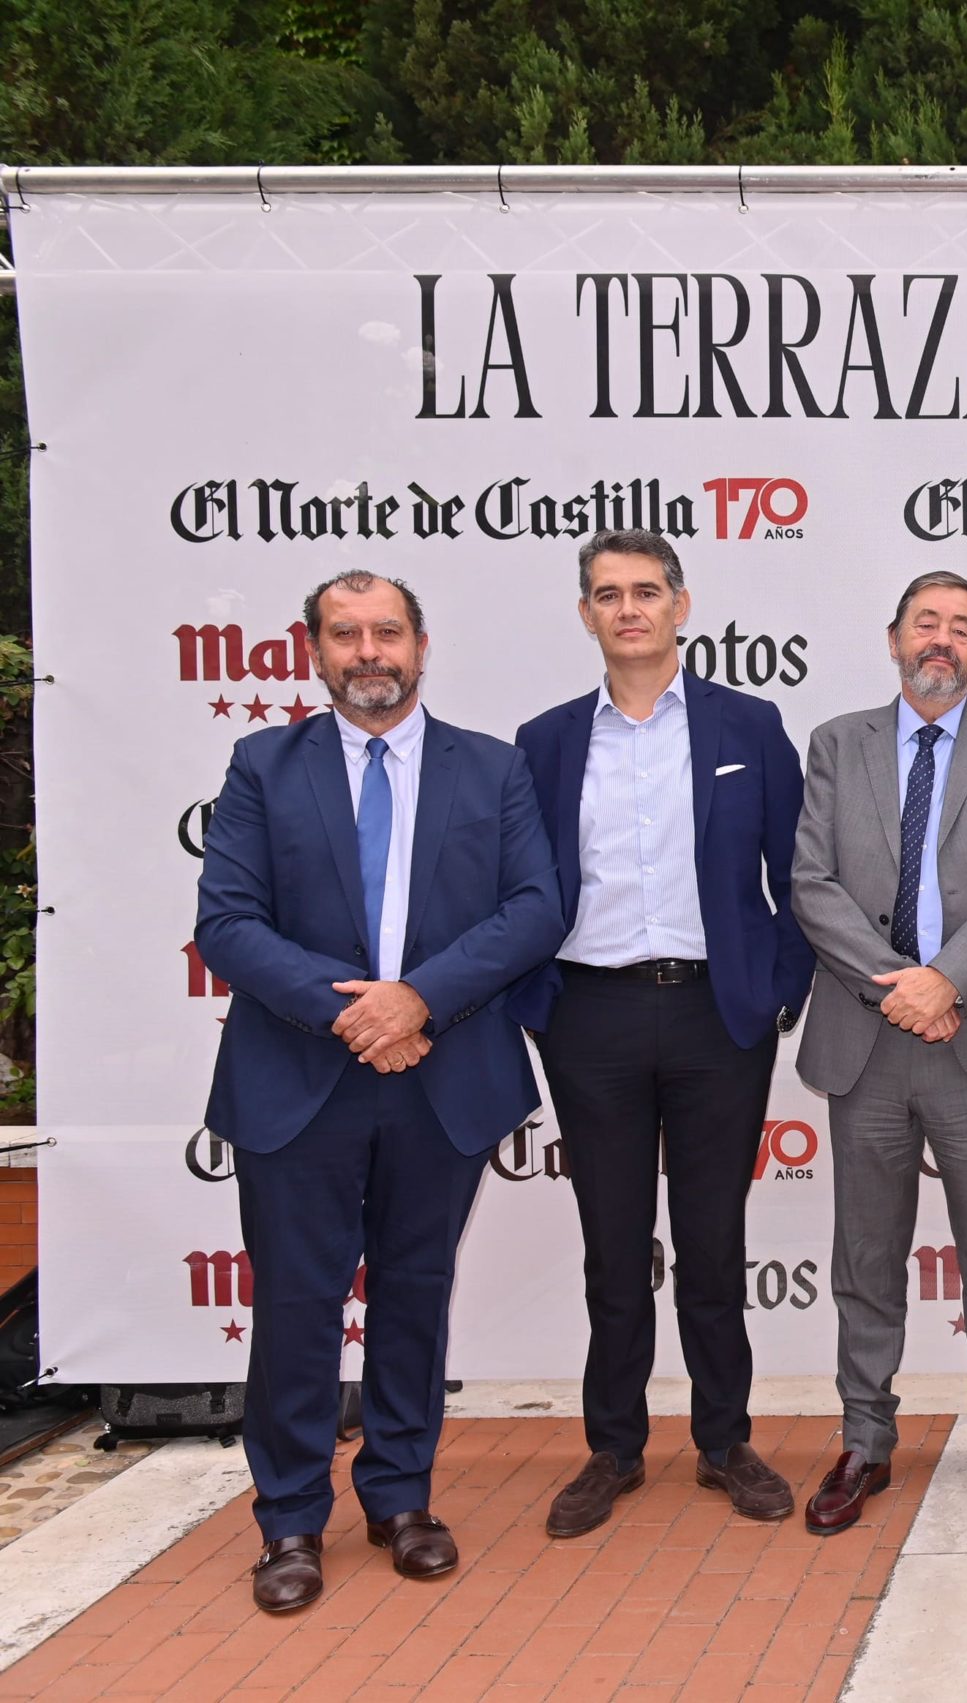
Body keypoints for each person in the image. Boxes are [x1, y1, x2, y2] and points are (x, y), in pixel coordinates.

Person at [196, 571, 564, 1613]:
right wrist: (351, 1010)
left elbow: (535, 908)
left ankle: (402, 1498)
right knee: (298, 1306)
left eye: (387, 632)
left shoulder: (491, 769)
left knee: (415, 1297)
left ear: (422, 644)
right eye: (345, 633)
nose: (369, 651)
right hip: (298, 1080)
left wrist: (418, 1003)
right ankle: (289, 1520)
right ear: (311, 647)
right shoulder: (263, 765)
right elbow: (227, 918)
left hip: (440, 1076)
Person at [510, 530, 816, 1539]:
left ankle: (725, 1440)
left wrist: (777, 991)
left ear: (682, 604)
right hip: (588, 1013)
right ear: (586, 613)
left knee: (713, 1240)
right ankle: (613, 1447)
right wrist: (539, 1000)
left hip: (712, 1015)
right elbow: (522, 888)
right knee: (610, 1245)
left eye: (647, 591)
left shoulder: (749, 724)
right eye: (608, 594)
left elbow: (799, 877)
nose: (629, 608)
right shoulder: (547, 739)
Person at [790, 570, 967, 1531]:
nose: (941, 640)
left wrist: (946, 980)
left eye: (961, 627)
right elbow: (813, 883)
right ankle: (865, 1440)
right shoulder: (838, 742)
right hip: (866, 1039)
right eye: (927, 623)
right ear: (894, 638)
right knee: (866, 1257)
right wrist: (897, 986)